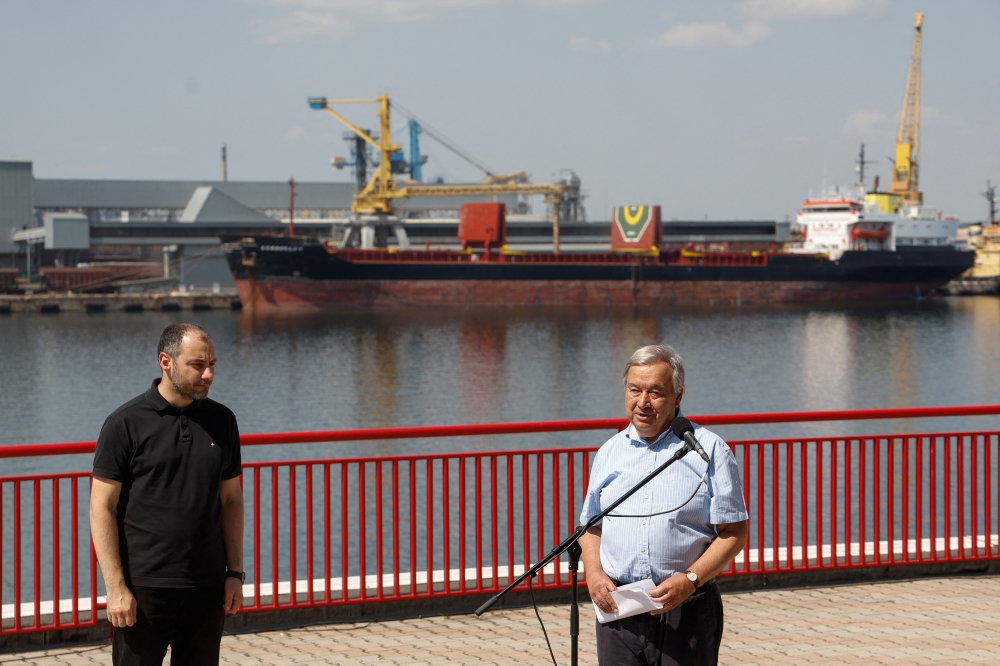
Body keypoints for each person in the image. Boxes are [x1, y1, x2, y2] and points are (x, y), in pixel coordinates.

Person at [580, 345, 749, 666]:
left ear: (678, 396)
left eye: (655, 392)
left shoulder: (709, 450)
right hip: (619, 609)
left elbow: (735, 531)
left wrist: (690, 579)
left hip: (685, 607)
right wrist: (593, 572)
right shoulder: (609, 452)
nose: (642, 402)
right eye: (634, 390)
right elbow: (591, 525)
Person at [90, 322, 244, 665]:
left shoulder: (223, 420)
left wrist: (234, 573)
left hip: (206, 587)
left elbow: (231, 500)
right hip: (145, 589)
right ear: (166, 361)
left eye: (213, 365)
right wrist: (116, 588)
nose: (208, 375)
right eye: (197, 365)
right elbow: (101, 507)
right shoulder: (124, 424)